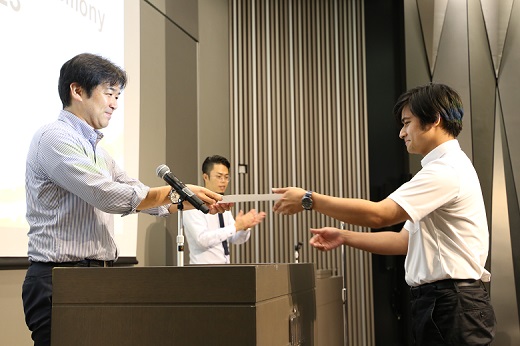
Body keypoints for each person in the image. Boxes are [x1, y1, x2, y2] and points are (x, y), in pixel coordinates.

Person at [22, 53, 230, 346]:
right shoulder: (54, 138)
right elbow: (105, 195)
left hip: (95, 278)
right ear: (77, 91)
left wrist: (183, 200)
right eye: (109, 93)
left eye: (117, 96)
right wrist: (174, 192)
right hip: (60, 280)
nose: (115, 104)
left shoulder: (97, 150)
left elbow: (135, 189)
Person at [272, 83, 496, 345]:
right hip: (444, 302)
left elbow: (380, 214)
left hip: (452, 303)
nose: (402, 133)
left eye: (407, 122)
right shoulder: (443, 169)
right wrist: (344, 236)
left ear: (434, 119)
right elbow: (403, 242)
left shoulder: (445, 170)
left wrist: (309, 199)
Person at [182, 155, 266, 264]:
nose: (223, 181)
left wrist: (244, 227)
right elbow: (202, 240)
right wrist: (236, 227)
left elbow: (234, 239)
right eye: (219, 176)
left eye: (226, 177)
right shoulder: (193, 206)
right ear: (205, 177)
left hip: (225, 267)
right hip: (203, 270)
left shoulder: (223, 203)